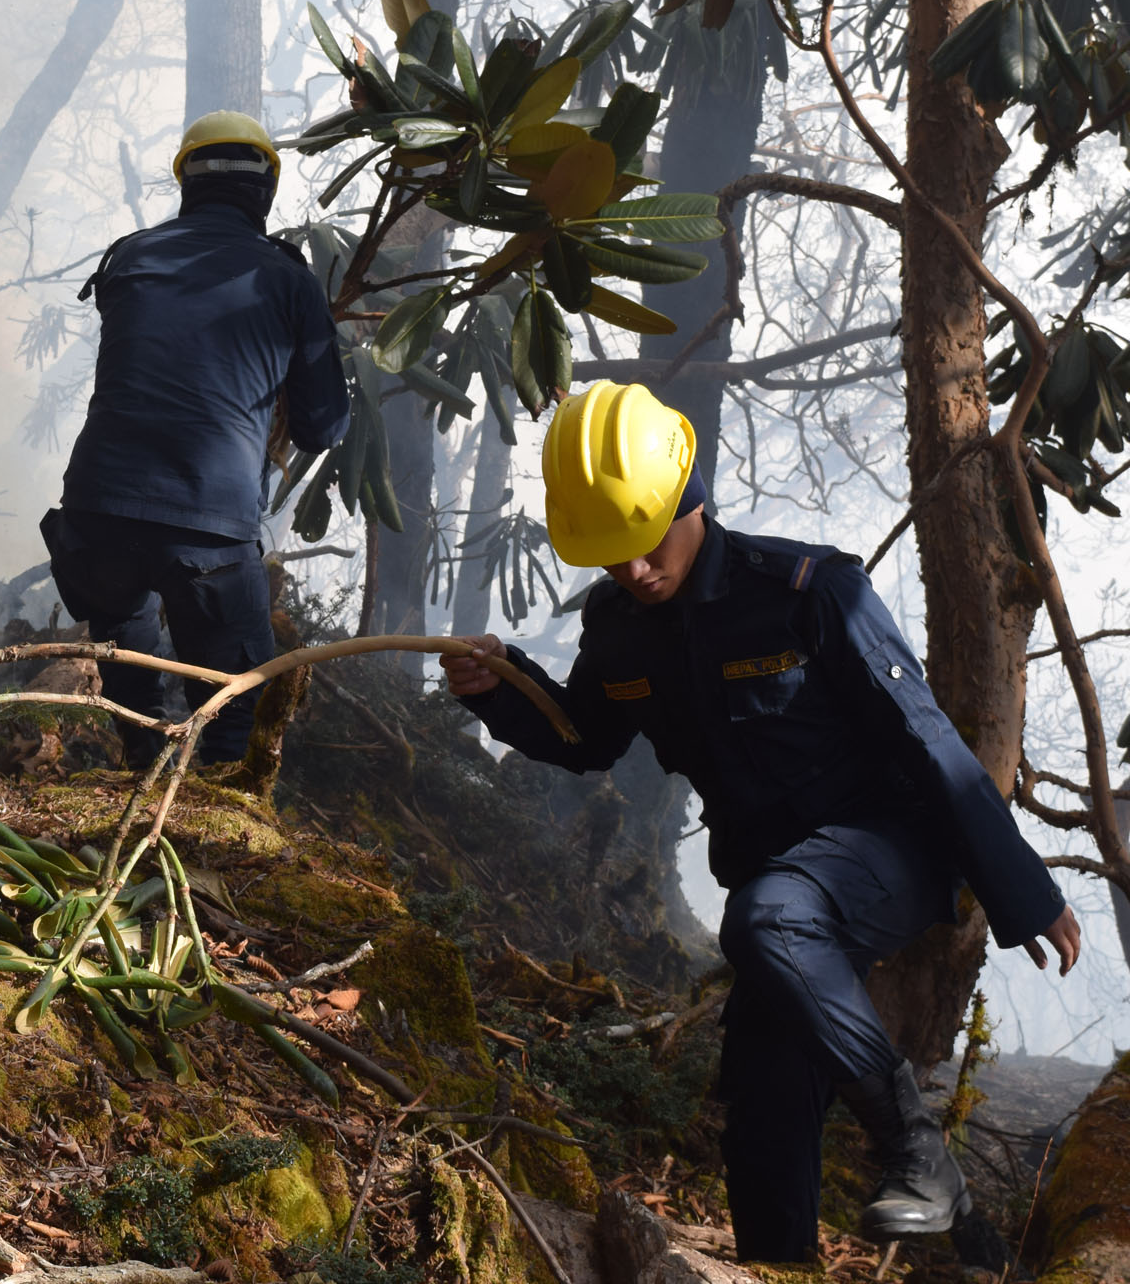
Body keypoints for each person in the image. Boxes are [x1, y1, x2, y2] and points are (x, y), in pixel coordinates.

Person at [439, 380, 1080, 1262]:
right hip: (784, 888)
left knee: (768, 919)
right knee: (766, 1107)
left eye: (645, 540)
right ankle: (966, 1249)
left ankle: (916, 1152)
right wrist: (504, 684)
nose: (634, 570)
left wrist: (1023, 892)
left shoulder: (810, 592)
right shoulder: (620, 632)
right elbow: (585, 735)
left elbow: (929, 738)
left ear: (688, 495)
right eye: (611, 554)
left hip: (888, 850)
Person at [44, 111, 350, 764]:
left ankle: (142, 772)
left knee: (124, 642)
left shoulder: (128, 256)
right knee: (239, 705)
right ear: (265, 188)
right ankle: (218, 830)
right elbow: (325, 424)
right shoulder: (290, 280)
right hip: (209, 529)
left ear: (186, 181)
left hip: (97, 513)